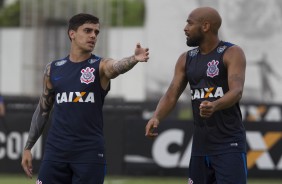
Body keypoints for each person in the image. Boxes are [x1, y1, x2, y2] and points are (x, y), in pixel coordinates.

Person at [21, 13, 149, 184]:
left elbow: (115, 67)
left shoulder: (100, 66)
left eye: (96, 32)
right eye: (88, 30)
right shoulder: (53, 69)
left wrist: (134, 59)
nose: (93, 36)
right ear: (72, 34)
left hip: (88, 154)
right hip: (55, 153)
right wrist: (28, 147)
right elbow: (43, 109)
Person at [145, 7, 247, 184]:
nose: (185, 28)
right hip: (200, 146)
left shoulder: (232, 52)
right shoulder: (186, 58)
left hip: (229, 145)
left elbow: (236, 91)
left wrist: (215, 105)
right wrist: (156, 116)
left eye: (190, 23)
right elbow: (172, 93)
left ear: (206, 26)